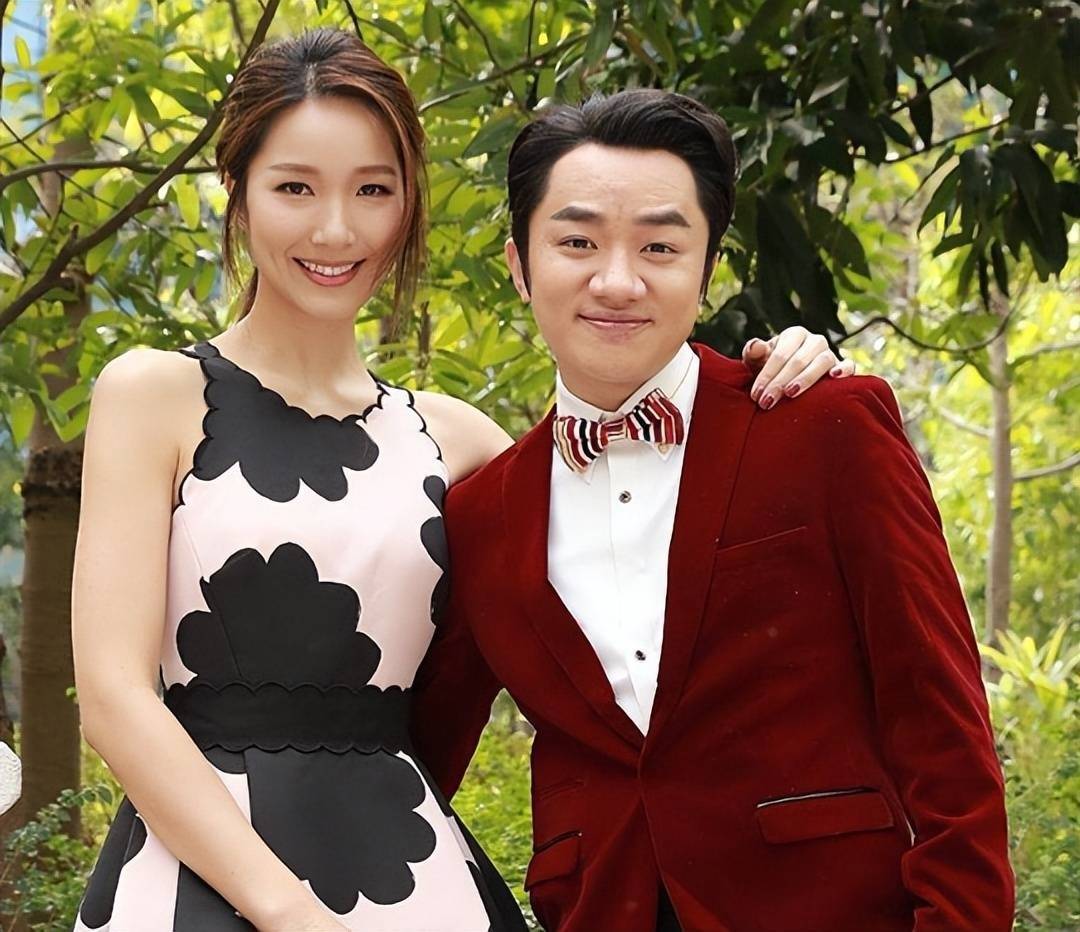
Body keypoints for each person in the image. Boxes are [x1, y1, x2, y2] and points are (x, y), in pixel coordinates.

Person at [70, 31, 845, 932]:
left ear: (409, 206)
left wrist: (781, 380)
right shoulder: (154, 396)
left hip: (413, 877)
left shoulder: (460, 443)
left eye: (373, 190)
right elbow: (114, 698)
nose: (336, 229)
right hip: (194, 884)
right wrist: (287, 912)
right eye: (295, 188)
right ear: (237, 194)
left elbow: (646, 543)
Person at [410, 90, 1015, 932]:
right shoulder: (481, 514)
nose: (617, 281)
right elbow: (412, 763)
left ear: (708, 267)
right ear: (519, 265)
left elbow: (940, 715)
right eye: (577, 242)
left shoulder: (824, 426)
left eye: (659, 246)